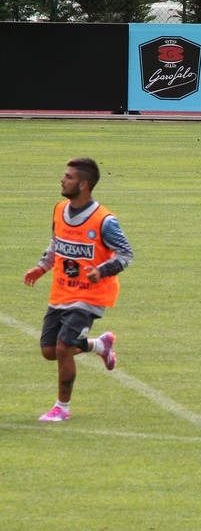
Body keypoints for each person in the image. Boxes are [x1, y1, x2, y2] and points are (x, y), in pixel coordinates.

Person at [23, 157, 134, 422]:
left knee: (63, 348)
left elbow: (126, 254)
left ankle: (62, 408)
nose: (62, 180)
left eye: (69, 177)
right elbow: (56, 243)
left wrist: (101, 271)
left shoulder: (105, 221)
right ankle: (99, 345)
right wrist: (42, 267)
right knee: (50, 351)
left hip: (90, 295)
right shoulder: (59, 209)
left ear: (84, 184)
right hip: (61, 292)